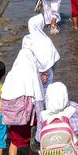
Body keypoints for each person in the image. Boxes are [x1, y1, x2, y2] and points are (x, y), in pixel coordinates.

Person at [0, 46, 44, 155]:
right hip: (28, 116)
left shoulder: (11, 75)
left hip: (14, 117)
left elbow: (3, 94)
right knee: (31, 136)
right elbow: (39, 97)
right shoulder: (32, 74)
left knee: (14, 142)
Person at [22, 13, 61, 141]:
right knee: (45, 99)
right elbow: (54, 60)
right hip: (47, 75)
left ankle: (31, 123)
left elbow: (24, 59)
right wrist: (47, 72)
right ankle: (43, 127)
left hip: (32, 75)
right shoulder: (46, 41)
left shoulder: (27, 40)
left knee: (33, 99)